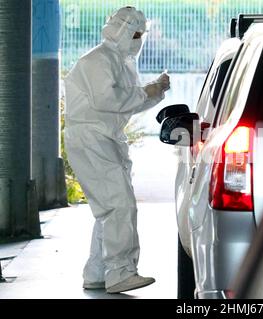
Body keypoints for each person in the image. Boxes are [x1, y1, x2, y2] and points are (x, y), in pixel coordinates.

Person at [63, 6, 170, 294]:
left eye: (140, 35)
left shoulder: (120, 61)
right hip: (91, 138)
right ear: (122, 30)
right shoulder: (98, 60)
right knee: (119, 204)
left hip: (104, 137)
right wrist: (147, 90)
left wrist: (156, 90)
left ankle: (97, 272)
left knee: (109, 207)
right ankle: (121, 272)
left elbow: (129, 102)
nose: (138, 39)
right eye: (135, 34)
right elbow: (109, 100)